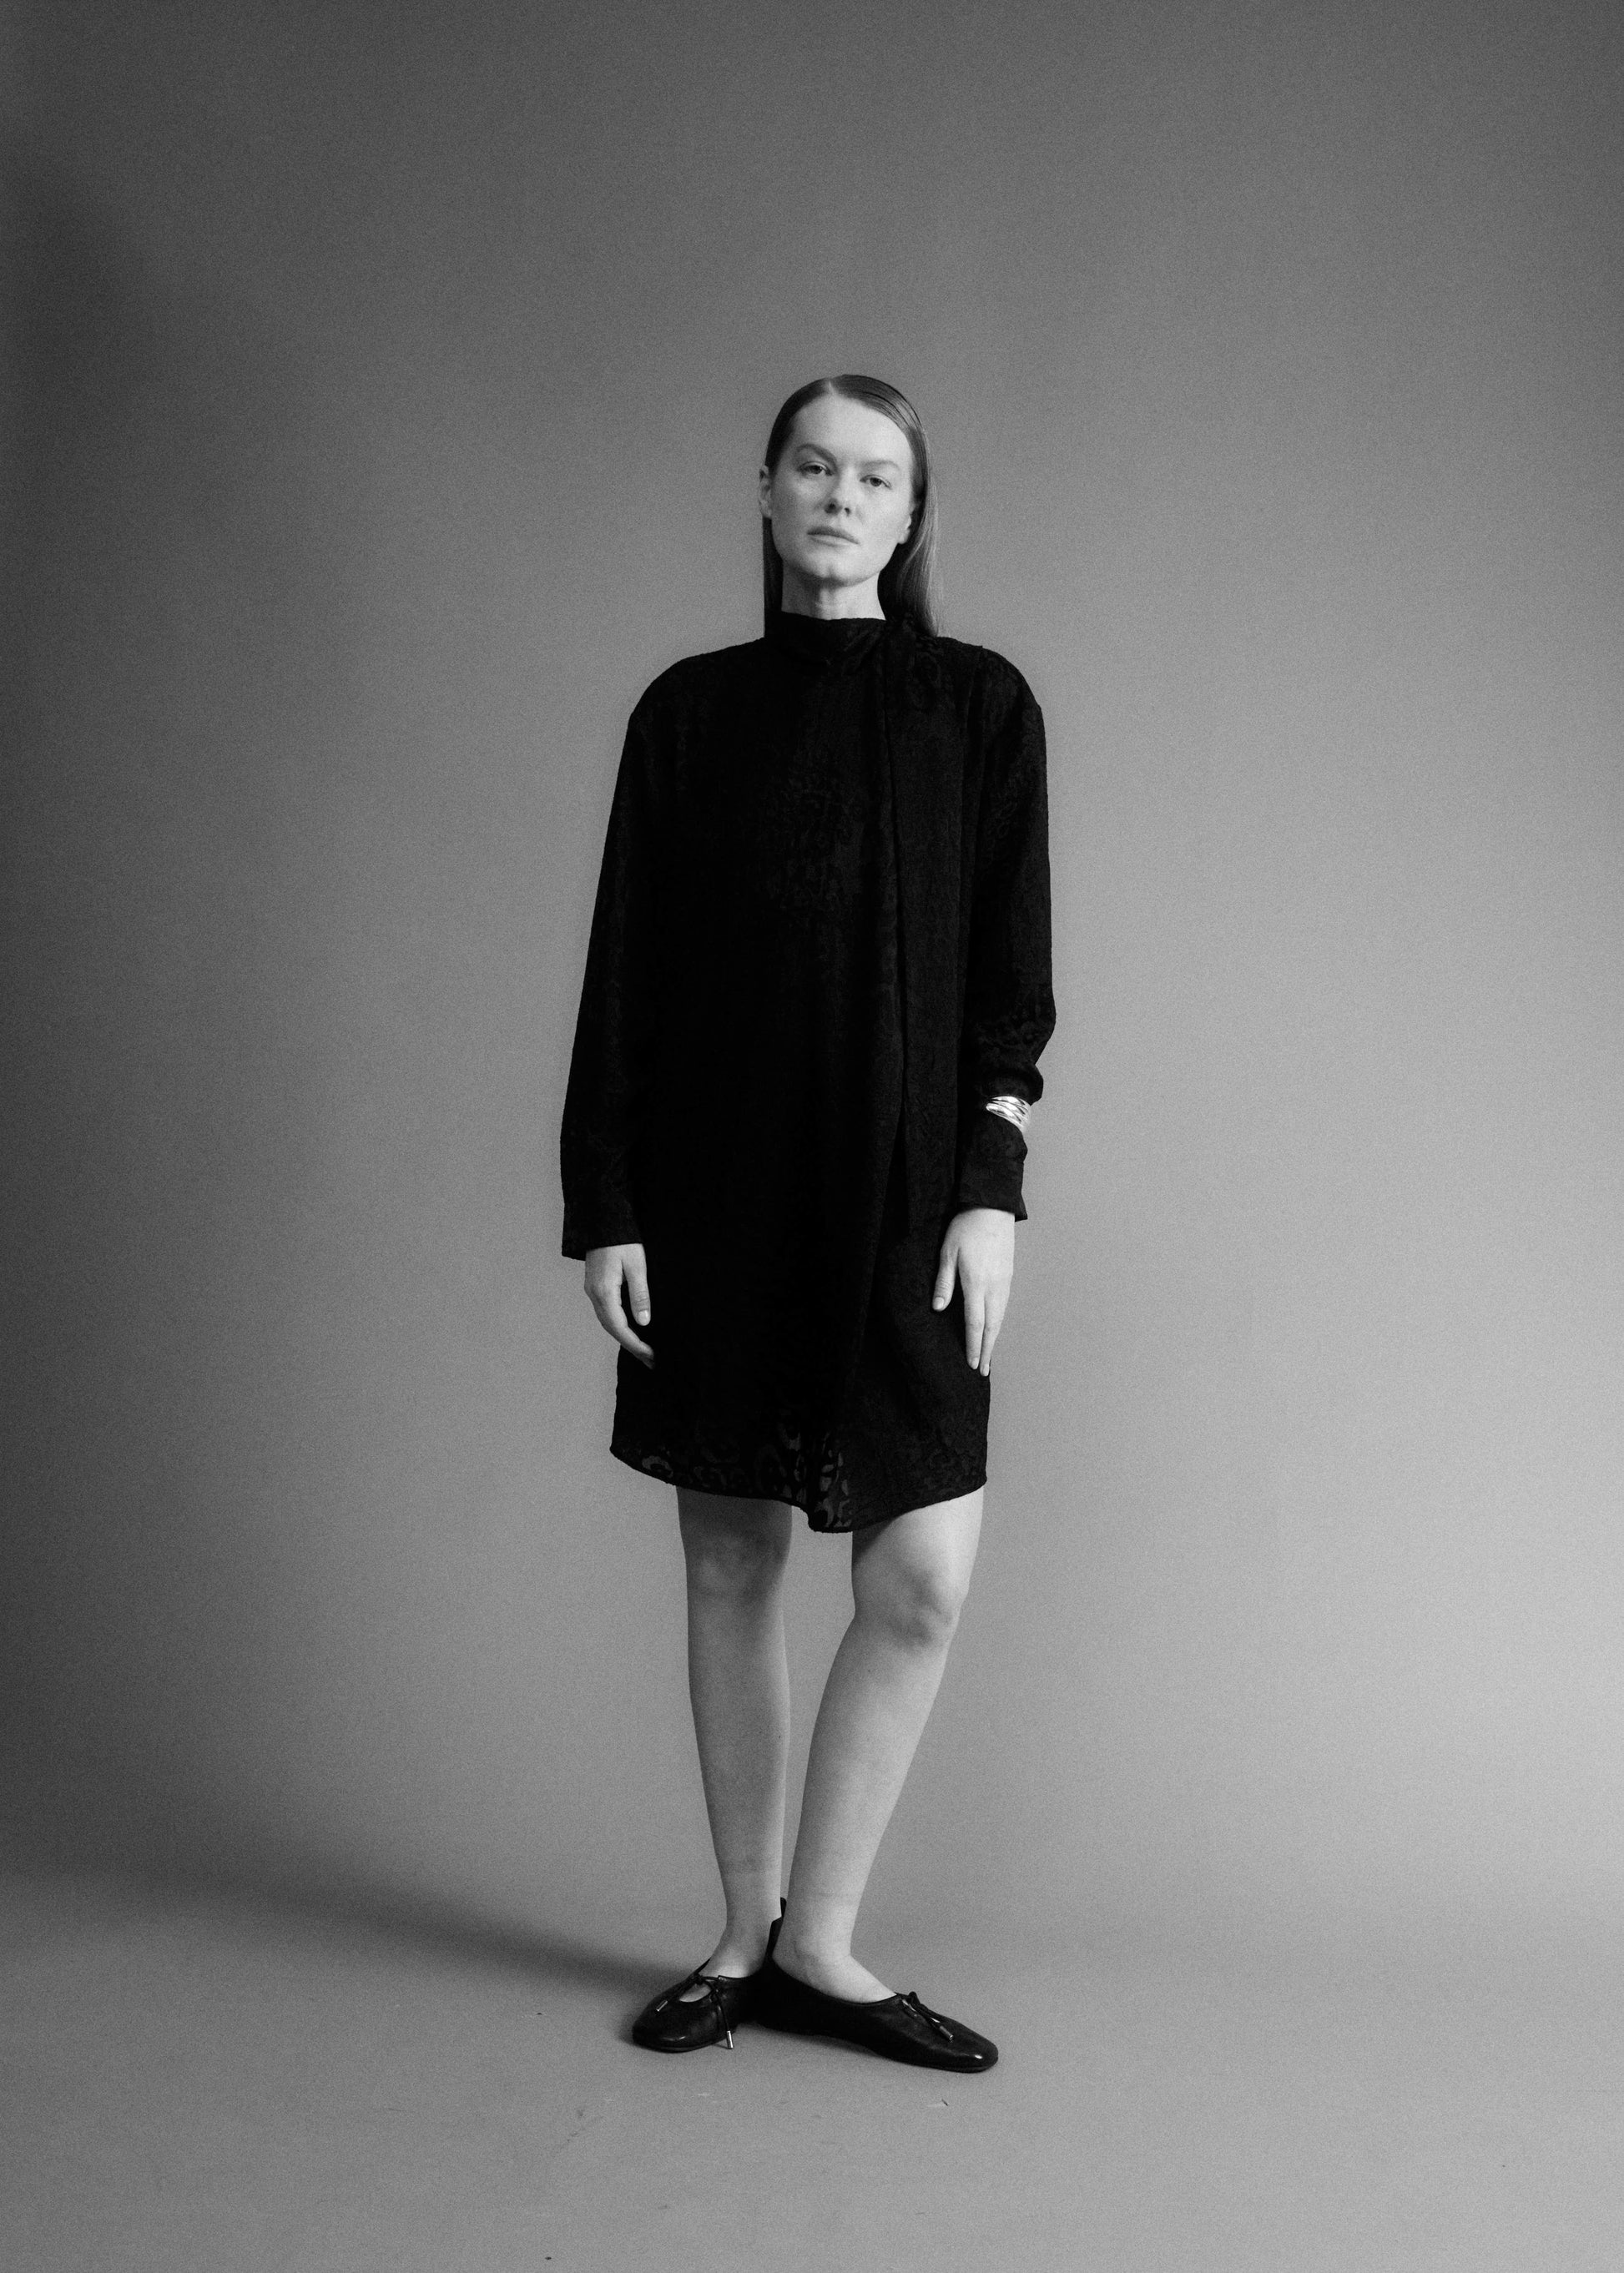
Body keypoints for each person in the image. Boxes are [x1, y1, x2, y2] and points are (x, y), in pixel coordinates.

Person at [560, 374, 1054, 2072]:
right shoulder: (687, 714)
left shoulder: (978, 708)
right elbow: (623, 975)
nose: (842, 497)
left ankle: (824, 1945)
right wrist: (606, 1203)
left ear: (911, 516)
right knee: (729, 1558)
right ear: (765, 489)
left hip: (913, 1205)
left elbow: (1010, 991)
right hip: (717, 1193)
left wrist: (989, 1191)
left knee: (917, 1581)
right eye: (814, 468)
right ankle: (740, 1934)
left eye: (876, 477)